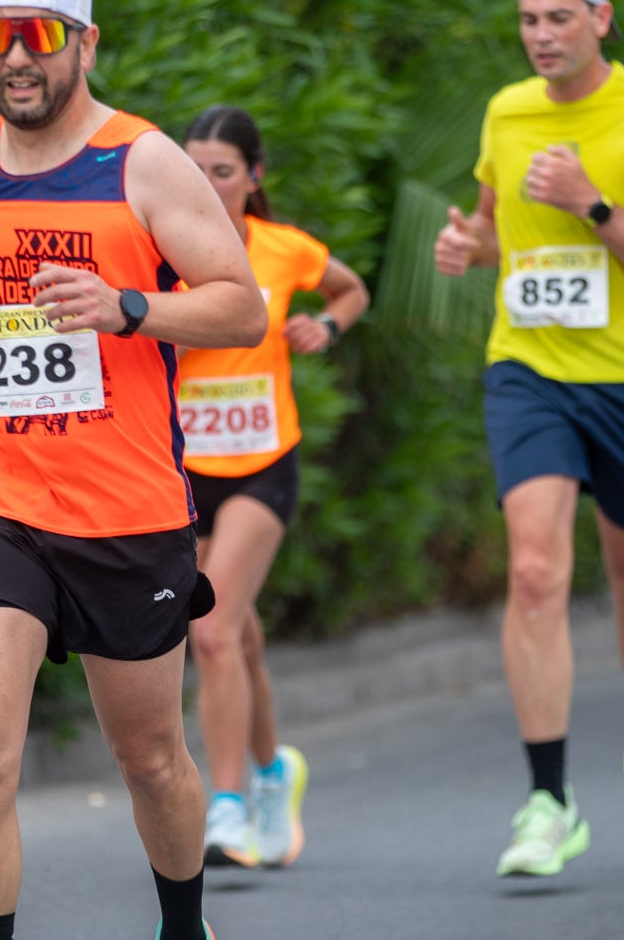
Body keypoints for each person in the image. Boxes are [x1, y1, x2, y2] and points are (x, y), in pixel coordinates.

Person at [0, 0, 266, 940]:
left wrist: (127, 307)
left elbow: (239, 309)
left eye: (39, 34)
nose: (17, 57)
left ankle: (184, 928)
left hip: (128, 509)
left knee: (148, 758)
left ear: (83, 43)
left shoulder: (141, 162)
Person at [432, 0, 624, 879]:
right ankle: (548, 799)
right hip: (530, 369)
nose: (541, 37)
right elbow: (499, 223)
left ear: (601, 18)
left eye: (558, 19)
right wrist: (471, 245)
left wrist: (592, 204)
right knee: (537, 572)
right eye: (528, 21)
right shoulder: (507, 111)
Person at [176, 105, 370, 870]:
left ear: (254, 177)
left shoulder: (285, 250)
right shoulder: (163, 253)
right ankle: (269, 774)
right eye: (192, 169)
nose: (206, 184)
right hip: (184, 470)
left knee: (214, 627)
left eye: (221, 171)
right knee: (241, 631)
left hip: (262, 465)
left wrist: (328, 325)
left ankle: (225, 806)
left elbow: (351, 290)